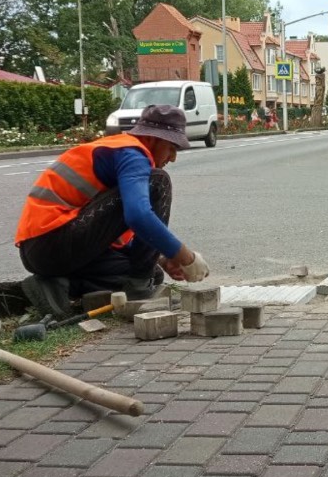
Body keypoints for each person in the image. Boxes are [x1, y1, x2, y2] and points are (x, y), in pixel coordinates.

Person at [15, 104, 210, 318]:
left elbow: (114, 234)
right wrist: (185, 257)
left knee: (152, 273)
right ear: (153, 139)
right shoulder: (132, 153)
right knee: (158, 182)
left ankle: (59, 285)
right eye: (172, 148)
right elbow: (138, 216)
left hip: (47, 251)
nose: (173, 157)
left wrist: (163, 259)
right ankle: (138, 292)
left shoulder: (121, 152)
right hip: (50, 242)